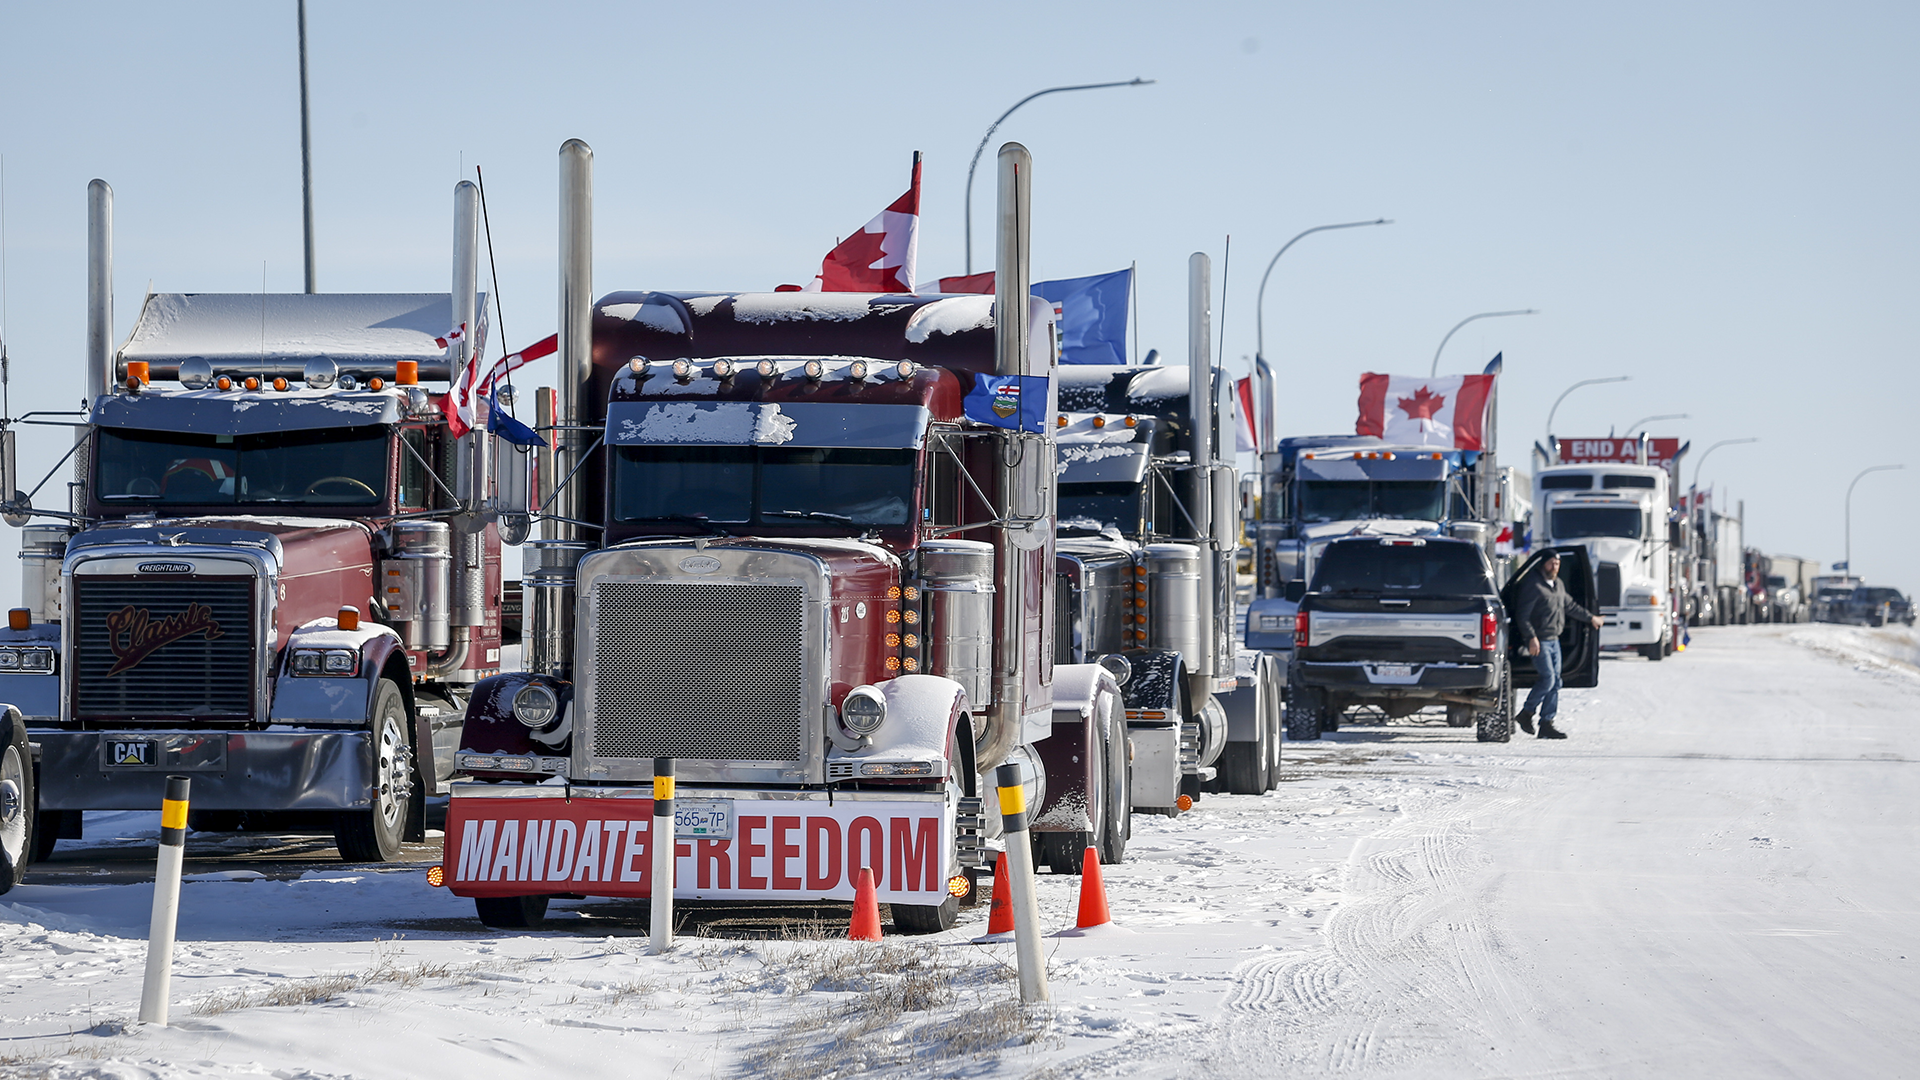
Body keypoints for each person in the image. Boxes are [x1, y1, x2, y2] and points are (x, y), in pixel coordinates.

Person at [1512, 552, 1603, 739]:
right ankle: (1526, 713)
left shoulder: (1558, 585)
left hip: (1555, 640)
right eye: (1551, 564)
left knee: (1556, 683)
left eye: (1557, 564)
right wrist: (1531, 637)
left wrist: (1590, 618)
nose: (1555, 567)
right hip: (1540, 640)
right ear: (1543, 564)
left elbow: (1570, 606)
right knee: (1548, 679)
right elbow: (1522, 615)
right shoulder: (1533, 584)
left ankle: (1546, 723)